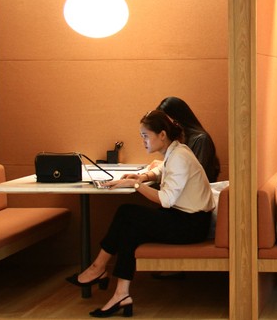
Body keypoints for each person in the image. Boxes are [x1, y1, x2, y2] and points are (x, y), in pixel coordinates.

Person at [66, 110, 215, 318]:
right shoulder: (175, 151)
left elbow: (166, 199)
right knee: (130, 228)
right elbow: (162, 171)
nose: (143, 141)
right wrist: (143, 177)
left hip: (191, 226)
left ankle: (98, 267)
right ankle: (121, 294)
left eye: (145, 136)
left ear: (162, 135)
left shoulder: (179, 156)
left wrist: (135, 185)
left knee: (126, 212)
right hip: (185, 219)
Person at [157, 96, 221, 183]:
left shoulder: (201, 139)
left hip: (196, 189)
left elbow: (194, 175)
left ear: (176, 118)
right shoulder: (179, 138)